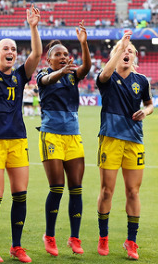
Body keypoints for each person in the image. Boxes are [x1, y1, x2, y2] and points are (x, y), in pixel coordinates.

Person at [0, 5, 42, 263]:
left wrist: (33, 27)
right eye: (6, 48)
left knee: (20, 193)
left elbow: (37, 54)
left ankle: (16, 246)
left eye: (14, 49)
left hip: (17, 140)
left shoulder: (19, 75)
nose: (11, 52)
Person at [96, 31, 153, 260]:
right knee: (107, 191)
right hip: (110, 138)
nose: (126, 53)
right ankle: (103, 238)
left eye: (130, 51)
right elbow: (105, 72)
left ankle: (131, 242)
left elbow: (149, 104)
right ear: (115, 55)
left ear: (135, 58)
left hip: (134, 141)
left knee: (133, 191)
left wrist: (145, 112)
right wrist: (122, 45)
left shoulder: (142, 81)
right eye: (122, 50)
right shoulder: (107, 77)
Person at [36, 20, 91, 257]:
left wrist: (84, 44)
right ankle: (49, 236)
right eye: (58, 54)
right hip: (51, 136)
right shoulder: (44, 74)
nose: (63, 57)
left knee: (76, 188)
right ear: (49, 60)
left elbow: (86, 68)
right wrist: (60, 71)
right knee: (57, 187)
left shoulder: (72, 75)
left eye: (66, 54)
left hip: (73, 137)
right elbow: (48, 81)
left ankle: (74, 238)